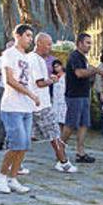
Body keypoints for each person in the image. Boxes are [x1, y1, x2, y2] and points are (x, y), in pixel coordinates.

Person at [0, 24, 39, 193]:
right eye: (27, 35)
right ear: (17, 36)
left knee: (24, 145)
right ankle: (1, 175)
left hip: (26, 108)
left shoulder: (27, 57)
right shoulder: (8, 54)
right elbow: (10, 80)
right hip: (12, 107)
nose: (30, 39)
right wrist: (31, 94)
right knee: (16, 143)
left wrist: (34, 96)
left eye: (31, 36)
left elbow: (30, 81)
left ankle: (13, 178)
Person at [30, 33, 77, 174]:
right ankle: (64, 163)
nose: (50, 47)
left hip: (36, 103)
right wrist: (52, 80)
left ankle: (14, 164)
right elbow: (39, 83)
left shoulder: (37, 59)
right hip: (41, 104)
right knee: (54, 134)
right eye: (48, 44)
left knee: (28, 136)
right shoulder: (35, 60)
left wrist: (49, 78)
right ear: (39, 43)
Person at [62, 33, 103, 163]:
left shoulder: (83, 58)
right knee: (71, 123)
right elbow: (79, 73)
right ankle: (59, 147)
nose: (90, 46)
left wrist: (93, 72)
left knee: (84, 124)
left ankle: (80, 152)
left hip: (84, 94)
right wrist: (95, 71)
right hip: (74, 95)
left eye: (90, 43)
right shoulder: (75, 56)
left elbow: (86, 71)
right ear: (79, 43)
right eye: (87, 43)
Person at [51, 60, 67, 126]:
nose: (57, 68)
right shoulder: (53, 76)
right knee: (56, 119)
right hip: (56, 99)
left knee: (64, 118)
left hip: (64, 98)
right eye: (55, 67)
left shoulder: (66, 75)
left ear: (61, 66)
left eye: (58, 66)